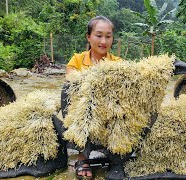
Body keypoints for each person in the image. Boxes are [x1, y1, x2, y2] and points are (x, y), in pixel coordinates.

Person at [64, 16, 121, 179]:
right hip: (84, 113)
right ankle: (83, 156)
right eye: (99, 35)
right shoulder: (77, 60)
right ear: (88, 37)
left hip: (109, 113)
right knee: (82, 105)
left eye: (108, 36)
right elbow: (70, 84)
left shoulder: (118, 63)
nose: (104, 41)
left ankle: (117, 157)